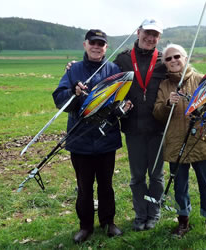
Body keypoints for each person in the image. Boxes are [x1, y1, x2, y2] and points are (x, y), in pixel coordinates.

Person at [52, 29, 132, 243]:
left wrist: (123, 107)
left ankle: (108, 222)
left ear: (106, 47)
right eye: (93, 43)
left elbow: (118, 102)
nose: (97, 47)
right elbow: (59, 100)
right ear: (85, 44)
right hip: (80, 141)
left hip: (106, 140)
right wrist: (73, 94)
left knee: (106, 185)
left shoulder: (113, 69)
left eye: (101, 44)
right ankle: (85, 226)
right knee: (84, 187)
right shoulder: (73, 70)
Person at [153, 44, 206, 249]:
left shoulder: (201, 80)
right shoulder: (164, 86)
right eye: (168, 59)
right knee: (180, 187)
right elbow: (157, 114)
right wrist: (167, 104)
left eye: (176, 56)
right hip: (175, 144)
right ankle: (183, 222)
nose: (173, 61)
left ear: (185, 58)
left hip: (201, 142)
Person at [113, 18, 167, 231]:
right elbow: (106, 79)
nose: (150, 37)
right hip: (133, 129)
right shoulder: (123, 60)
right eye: (147, 32)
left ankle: (153, 213)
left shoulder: (164, 61)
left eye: (155, 34)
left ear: (159, 38)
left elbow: (184, 75)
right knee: (137, 177)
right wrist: (74, 64)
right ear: (138, 32)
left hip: (157, 129)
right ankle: (140, 214)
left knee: (156, 176)